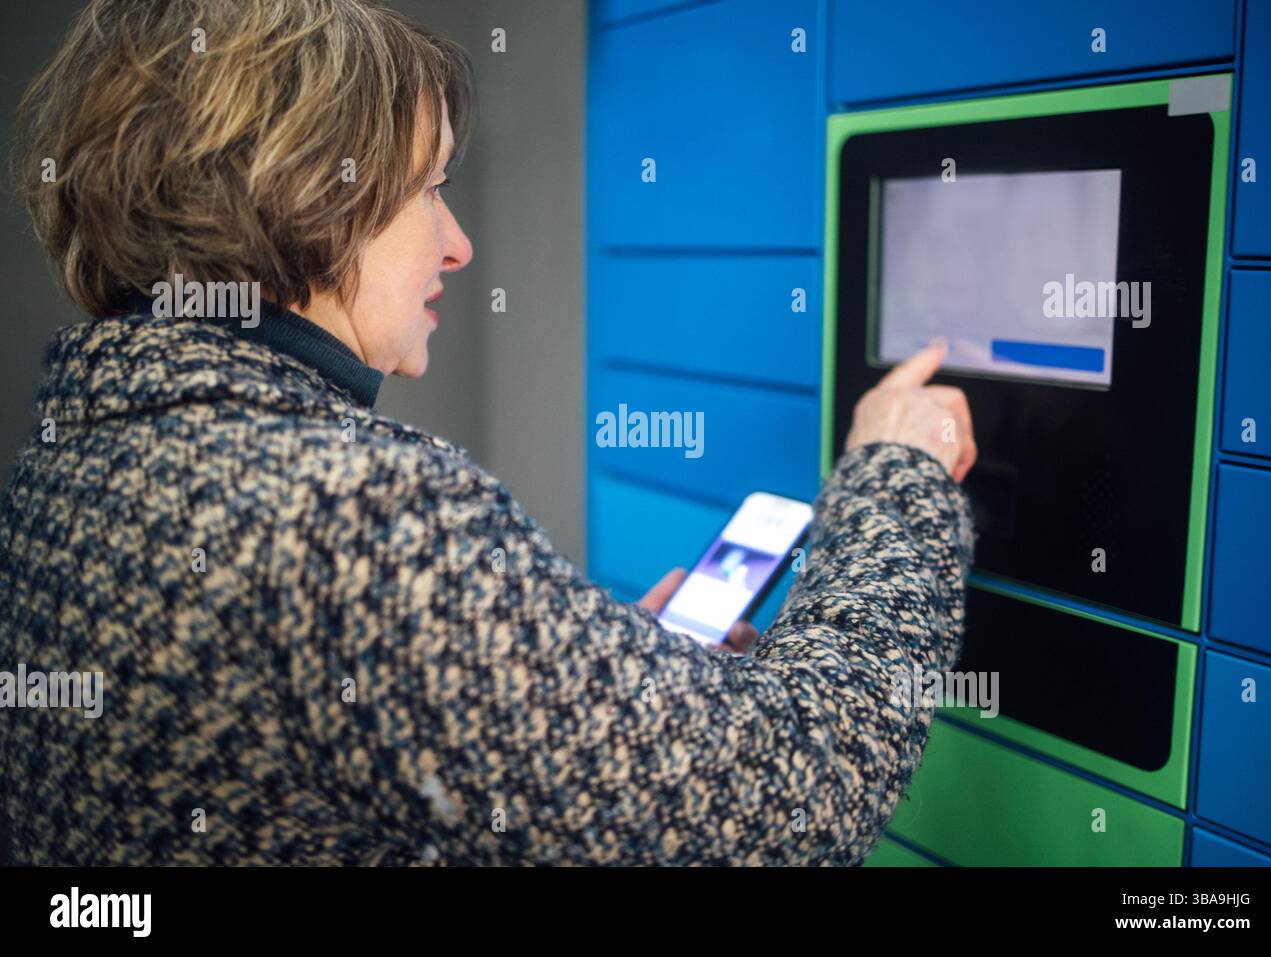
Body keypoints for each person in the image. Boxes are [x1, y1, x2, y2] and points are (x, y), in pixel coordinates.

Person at [0, 0, 977, 866]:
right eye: (427, 188)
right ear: (306, 196)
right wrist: (893, 479)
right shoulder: (351, 510)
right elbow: (788, 805)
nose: (458, 243)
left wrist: (559, 698)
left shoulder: (75, 458)